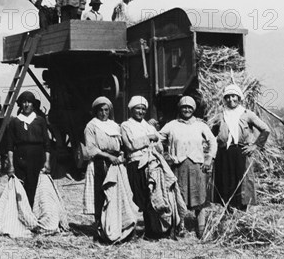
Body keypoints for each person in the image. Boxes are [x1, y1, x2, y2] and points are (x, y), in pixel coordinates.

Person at [121, 96, 187, 240]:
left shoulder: (149, 126)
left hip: (152, 164)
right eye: (138, 108)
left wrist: (152, 139)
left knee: (153, 196)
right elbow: (130, 145)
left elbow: (159, 146)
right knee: (139, 197)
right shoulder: (126, 126)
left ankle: (153, 231)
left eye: (143, 109)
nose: (141, 111)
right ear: (131, 109)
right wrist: (149, 138)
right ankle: (134, 231)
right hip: (136, 164)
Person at [159, 96, 217, 239]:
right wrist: (165, 156)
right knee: (180, 198)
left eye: (189, 107)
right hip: (178, 166)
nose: (186, 110)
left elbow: (213, 141)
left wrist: (209, 158)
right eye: (184, 107)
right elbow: (157, 139)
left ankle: (201, 230)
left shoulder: (200, 125)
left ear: (193, 109)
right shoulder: (171, 125)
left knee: (200, 198)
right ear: (179, 108)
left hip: (197, 167)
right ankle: (180, 228)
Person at [82, 97, 137, 243]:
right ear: (96, 111)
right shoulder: (91, 126)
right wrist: (108, 156)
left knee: (117, 195)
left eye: (106, 110)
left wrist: (121, 155)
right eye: (100, 110)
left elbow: (122, 144)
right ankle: (101, 231)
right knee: (101, 195)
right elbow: (91, 148)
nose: (103, 113)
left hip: (116, 163)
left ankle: (118, 227)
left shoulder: (115, 126)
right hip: (100, 163)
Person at [210, 84, 270, 211]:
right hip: (224, 153)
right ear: (224, 99)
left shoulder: (247, 114)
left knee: (242, 181)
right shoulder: (221, 115)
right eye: (228, 97)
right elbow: (211, 134)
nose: (231, 99)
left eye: (234, 96)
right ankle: (228, 210)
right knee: (225, 181)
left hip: (241, 152)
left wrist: (255, 145)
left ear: (239, 97)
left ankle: (242, 210)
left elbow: (265, 129)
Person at [6, 91, 51, 207]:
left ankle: (34, 214)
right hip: (20, 158)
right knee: (20, 189)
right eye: (24, 102)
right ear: (20, 104)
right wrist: (11, 165)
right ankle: (22, 216)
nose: (26, 105)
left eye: (29, 102)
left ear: (33, 104)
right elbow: (10, 146)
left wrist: (47, 162)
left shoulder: (40, 121)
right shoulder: (14, 122)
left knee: (35, 187)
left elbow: (47, 143)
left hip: (37, 158)